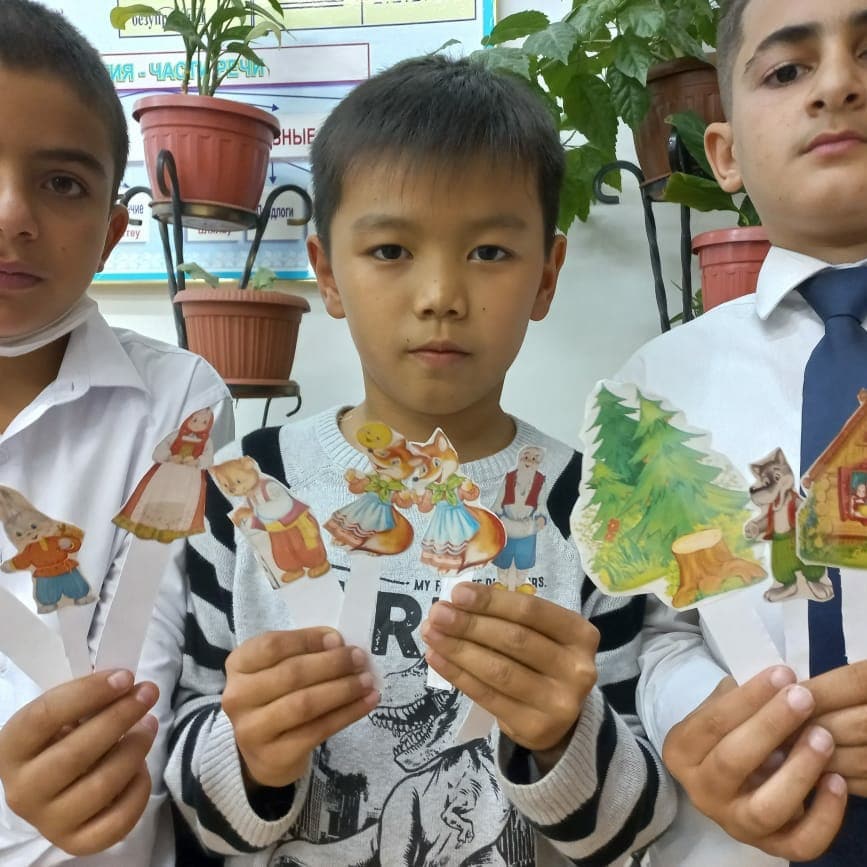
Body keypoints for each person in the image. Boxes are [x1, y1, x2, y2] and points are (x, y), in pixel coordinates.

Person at [165, 55, 676, 864]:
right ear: (327, 273)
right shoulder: (249, 490)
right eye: (391, 249)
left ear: (546, 277)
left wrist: (560, 736)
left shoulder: (591, 507)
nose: (440, 294)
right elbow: (190, 792)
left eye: (489, 252)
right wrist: (250, 754)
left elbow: (631, 827)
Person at [608, 0, 867, 863]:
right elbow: (655, 631)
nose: (837, 84)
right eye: (787, 70)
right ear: (722, 155)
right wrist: (695, 718)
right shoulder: (652, 392)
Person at [0, 1, 233, 864]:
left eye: (61, 182)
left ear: (110, 233)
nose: (11, 213)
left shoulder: (176, 403)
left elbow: (147, 694)